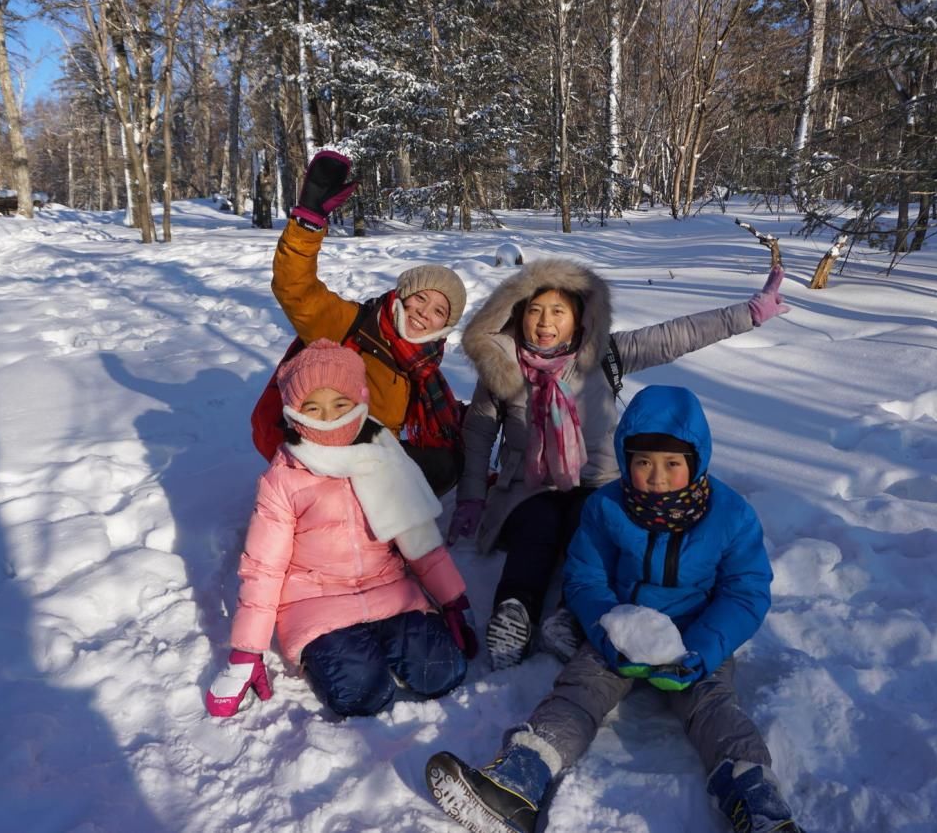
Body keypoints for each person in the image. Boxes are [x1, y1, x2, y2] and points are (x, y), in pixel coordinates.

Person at [426, 385, 806, 833]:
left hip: (695, 635)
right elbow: (586, 577)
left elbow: (746, 592)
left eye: (672, 464)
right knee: (576, 693)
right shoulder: (607, 507)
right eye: (644, 462)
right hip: (622, 629)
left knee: (716, 708)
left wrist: (702, 650)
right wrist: (607, 630)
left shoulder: (730, 515)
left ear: (696, 461)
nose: (657, 477)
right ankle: (518, 780)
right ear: (626, 462)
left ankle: (757, 805)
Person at [447, 257, 788, 668]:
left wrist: (747, 314)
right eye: (534, 311)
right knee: (536, 529)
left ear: (579, 317)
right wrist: (470, 498)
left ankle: (568, 617)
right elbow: (479, 433)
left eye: (558, 311)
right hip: (529, 486)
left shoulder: (604, 354)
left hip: (599, 482)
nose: (544, 322)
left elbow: (673, 336)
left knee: (587, 532)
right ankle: (513, 613)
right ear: (518, 315)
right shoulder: (500, 368)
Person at [207, 340, 477, 719]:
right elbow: (263, 567)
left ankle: (385, 642)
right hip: (317, 607)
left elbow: (419, 536)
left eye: (340, 405)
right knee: (362, 694)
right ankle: (352, 653)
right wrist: (246, 651)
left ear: (360, 401)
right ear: (293, 414)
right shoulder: (284, 478)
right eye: (312, 408)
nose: (328, 418)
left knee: (444, 672)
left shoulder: (382, 454)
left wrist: (451, 599)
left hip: (389, 593)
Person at [265, 150, 468, 495]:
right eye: (420, 298)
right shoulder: (351, 326)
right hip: (322, 458)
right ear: (401, 296)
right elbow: (294, 287)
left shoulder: (422, 364)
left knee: (446, 463)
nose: (424, 313)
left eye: (438, 311)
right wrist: (308, 222)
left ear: (445, 326)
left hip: (371, 461)